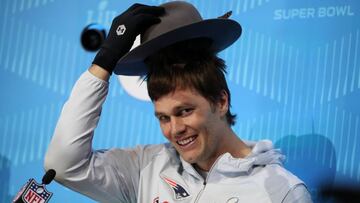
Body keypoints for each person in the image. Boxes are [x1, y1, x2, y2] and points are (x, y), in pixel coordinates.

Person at [44, 1, 312, 202]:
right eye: (163, 117)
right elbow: (62, 165)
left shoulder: (281, 191)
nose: (174, 129)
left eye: (184, 111)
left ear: (221, 101)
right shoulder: (145, 167)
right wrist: (105, 60)